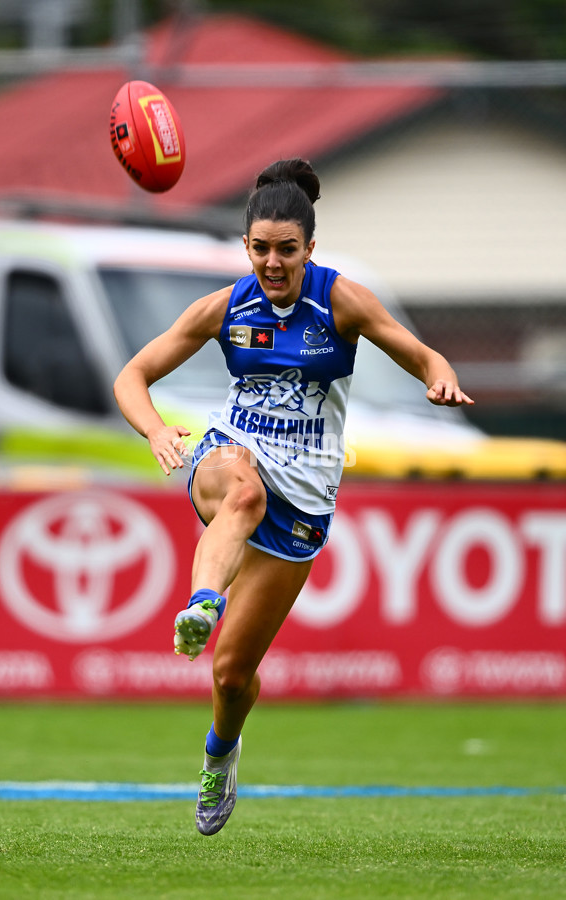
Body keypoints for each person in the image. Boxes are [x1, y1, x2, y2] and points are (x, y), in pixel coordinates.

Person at [113, 158, 474, 836]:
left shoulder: (343, 302)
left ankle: (220, 753)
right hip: (230, 453)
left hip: (304, 495)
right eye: (259, 249)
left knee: (230, 674)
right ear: (245, 246)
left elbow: (423, 355)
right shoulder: (223, 308)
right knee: (241, 493)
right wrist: (158, 430)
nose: (272, 263)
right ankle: (201, 601)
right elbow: (133, 376)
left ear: (310, 246)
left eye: (286, 250)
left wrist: (440, 378)